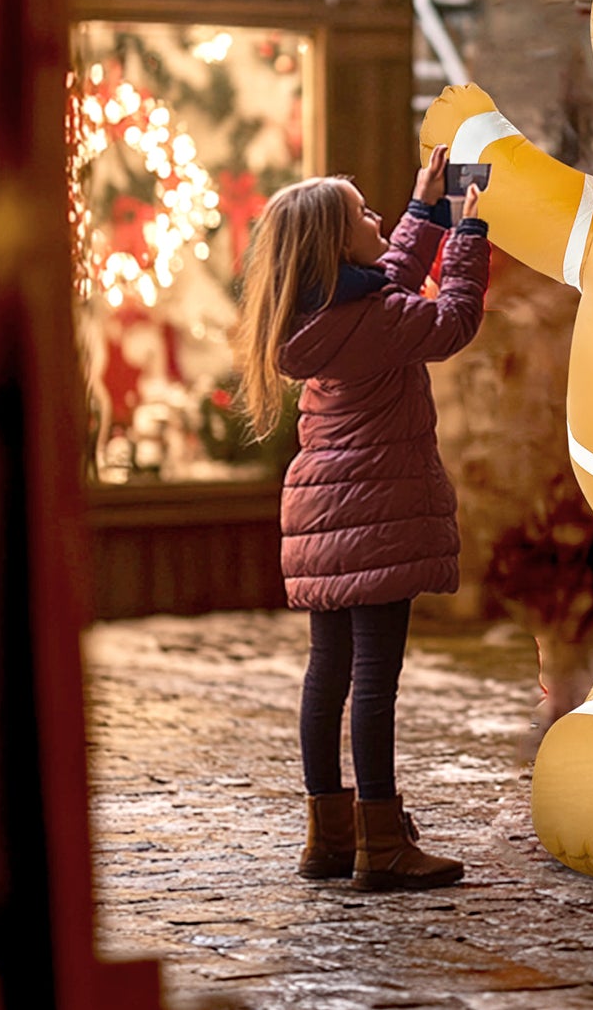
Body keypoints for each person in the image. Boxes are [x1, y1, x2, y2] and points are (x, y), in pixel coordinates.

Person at [234, 143, 489, 891]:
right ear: (337, 246)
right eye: (363, 214)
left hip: (322, 516)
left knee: (329, 673)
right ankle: (382, 842)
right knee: (376, 680)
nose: (377, 218)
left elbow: (390, 281)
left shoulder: (322, 314)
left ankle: (329, 834)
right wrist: (467, 235)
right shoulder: (375, 318)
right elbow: (451, 320)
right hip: (375, 514)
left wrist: (424, 206)